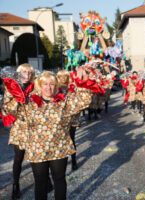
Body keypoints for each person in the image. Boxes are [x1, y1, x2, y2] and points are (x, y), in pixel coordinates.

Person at [3, 68, 96, 200]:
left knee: (59, 179)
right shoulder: (29, 103)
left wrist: (81, 82)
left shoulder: (64, 102)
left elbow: (84, 100)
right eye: (45, 84)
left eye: (52, 84)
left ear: (56, 86)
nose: (48, 87)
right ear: (39, 86)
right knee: (40, 183)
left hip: (59, 148)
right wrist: (11, 90)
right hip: (37, 150)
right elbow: (8, 110)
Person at [0, 64, 52, 200]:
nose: (27, 75)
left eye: (30, 73)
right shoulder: (10, 88)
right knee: (18, 158)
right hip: (20, 128)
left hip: (36, 128)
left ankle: (46, 179)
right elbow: (5, 109)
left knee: (40, 155)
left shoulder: (35, 87)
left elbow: (44, 104)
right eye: (24, 72)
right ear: (18, 73)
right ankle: (15, 185)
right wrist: (17, 102)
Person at [57, 70, 79, 170]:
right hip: (59, 118)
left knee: (71, 139)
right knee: (60, 140)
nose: (63, 78)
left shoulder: (73, 86)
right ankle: (61, 162)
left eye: (65, 76)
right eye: (61, 76)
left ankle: (74, 161)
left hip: (71, 117)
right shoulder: (55, 88)